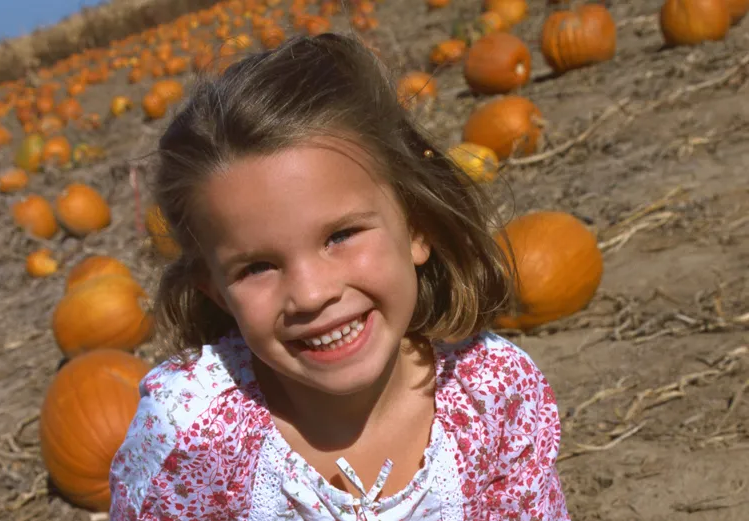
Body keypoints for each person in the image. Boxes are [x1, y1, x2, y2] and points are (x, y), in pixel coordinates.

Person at [109, 32, 570, 520]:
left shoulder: (493, 395)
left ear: (417, 227)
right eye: (258, 267)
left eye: (341, 236)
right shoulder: (191, 438)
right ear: (216, 291)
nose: (311, 293)